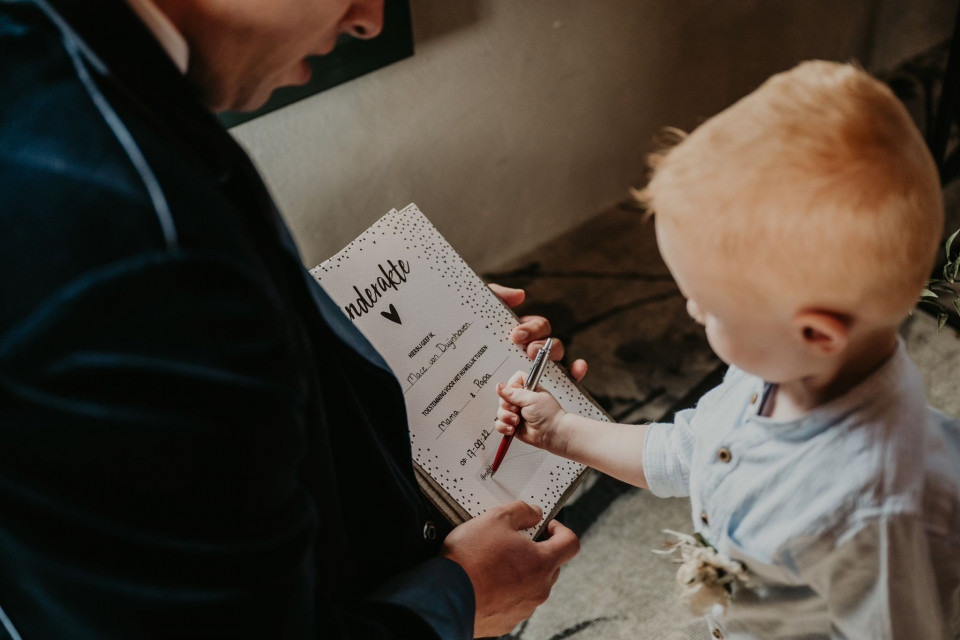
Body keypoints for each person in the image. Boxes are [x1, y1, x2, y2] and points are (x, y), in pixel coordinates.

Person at [0, 0, 585, 638]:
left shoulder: (64, 61)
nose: (370, 19)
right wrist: (461, 597)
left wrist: (419, 329)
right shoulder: (137, 234)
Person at [495, 61, 960, 639]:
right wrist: (565, 433)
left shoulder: (884, 510)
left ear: (815, 333)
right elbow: (690, 450)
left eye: (710, 307)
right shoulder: (773, 371)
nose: (691, 312)